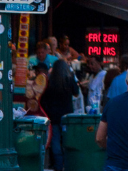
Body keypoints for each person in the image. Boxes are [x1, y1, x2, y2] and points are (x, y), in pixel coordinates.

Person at [41, 41, 80, 171]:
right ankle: (68, 165)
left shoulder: (50, 81)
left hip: (53, 116)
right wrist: (72, 75)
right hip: (66, 115)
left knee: (55, 141)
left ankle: (58, 166)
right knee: (67, 141)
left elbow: (44, 98)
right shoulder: (68, 80)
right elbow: (76, 92)